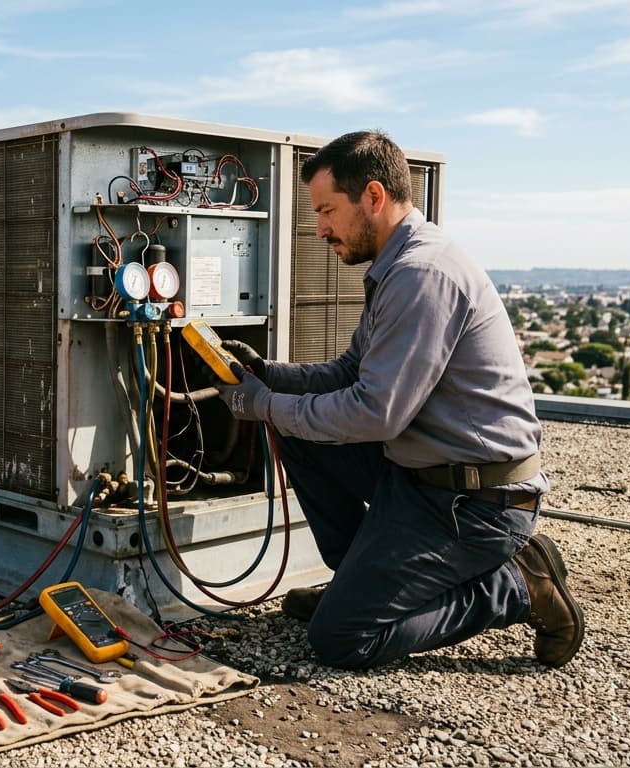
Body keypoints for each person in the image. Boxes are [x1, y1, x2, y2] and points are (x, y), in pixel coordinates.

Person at [215, 130, 584, 670]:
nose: (319, 229)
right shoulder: (396, 265)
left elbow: (374, 411)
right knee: (301, 436)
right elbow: (348, 373)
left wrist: (261, 404)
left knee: (341, 639)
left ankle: (519, 584)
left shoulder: (421, 273)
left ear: (373, 196)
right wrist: (269, 375)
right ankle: (364, 582)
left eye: (326, 210)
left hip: (476, 502)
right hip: (421, 476)